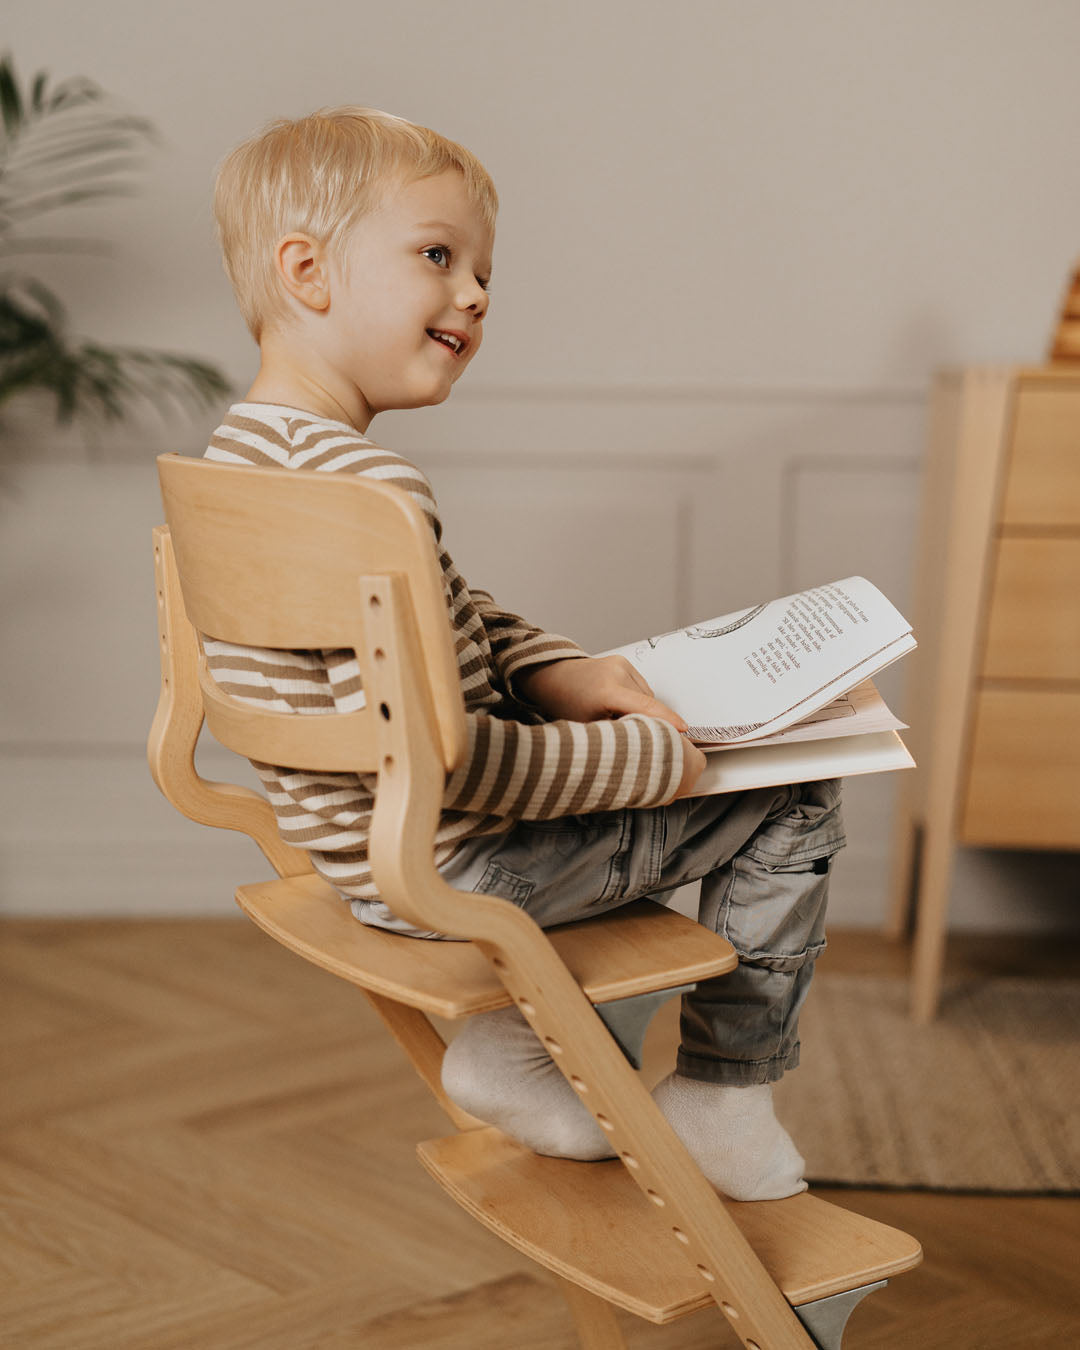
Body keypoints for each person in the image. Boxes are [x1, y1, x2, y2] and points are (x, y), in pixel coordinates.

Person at [204, 107, 845, 1202]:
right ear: (307, 272)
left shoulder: (238, 465)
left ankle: (522, 1044)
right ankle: (723, 1095)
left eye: (482, 272)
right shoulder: (371, 492)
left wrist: (559, 672)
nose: (475, 294)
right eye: (437, 256)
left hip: (354, 854)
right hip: (455, 864)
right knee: (797, 784)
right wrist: (655, 760)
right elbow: (453, 760)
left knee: (636, 783)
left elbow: (453, 614)